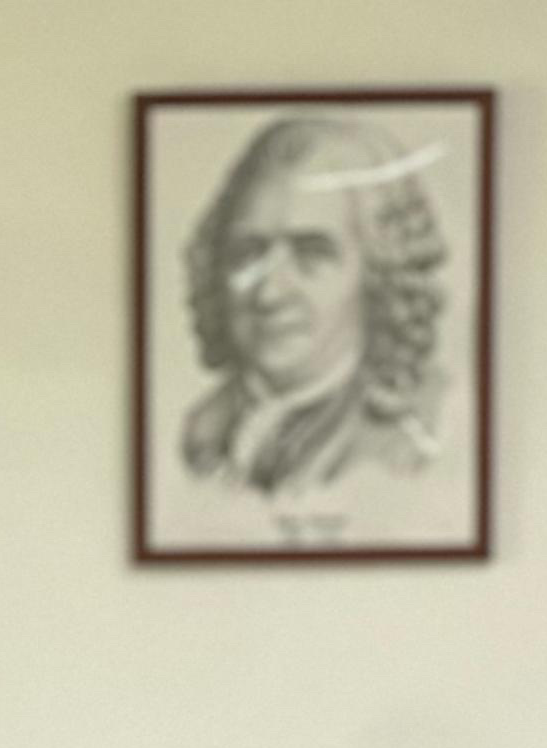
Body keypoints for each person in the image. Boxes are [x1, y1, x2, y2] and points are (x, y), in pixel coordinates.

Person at [174, 111, 453, 501]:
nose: (269, 293)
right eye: (247, 253)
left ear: (381, 272)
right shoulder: (200, 428)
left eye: (312, 254)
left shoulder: (422, 428)